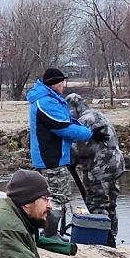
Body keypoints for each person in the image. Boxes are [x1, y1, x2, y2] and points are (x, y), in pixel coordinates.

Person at [25, 67, 92, 236]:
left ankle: (51, 233)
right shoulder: (45, 102)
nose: (63, 86)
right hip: (51, 158)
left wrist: (80, 127)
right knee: (57, 198)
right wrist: (89, 133)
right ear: (54, 84)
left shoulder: (49, 99)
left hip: (54, 157)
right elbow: (62, 127)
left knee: (54, 197)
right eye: (61, 83)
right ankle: (50, 235)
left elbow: (67, 120)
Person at [68, 93, 125, 245]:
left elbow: (77, 149)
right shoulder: (98, 115)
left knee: (97, 202)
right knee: (111, 203)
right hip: (116, 164)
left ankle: (102, 239)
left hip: (99, 168)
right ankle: (112, 236)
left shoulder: (84, 121)